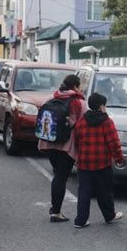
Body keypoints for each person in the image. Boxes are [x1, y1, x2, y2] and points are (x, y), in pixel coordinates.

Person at [38, 75, 87, 222]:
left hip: (49, 143)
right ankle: (56, 212)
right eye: (80, 86)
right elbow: (83, 125)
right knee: (61, 177)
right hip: (67, 146)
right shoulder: (79, 103)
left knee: (57, 175)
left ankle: (55, 209)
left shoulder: (51, 98)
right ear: (76, 87)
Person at [73, 93, 125, 228]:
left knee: (84, 191)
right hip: (102, 163)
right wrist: (119, 158)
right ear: (101, 106)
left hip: (84, 162)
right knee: (104, 191)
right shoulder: (107, 122)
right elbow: (114, 142)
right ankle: (109, 215)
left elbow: (76, 140)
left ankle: (81, 220)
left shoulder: (82, 121)